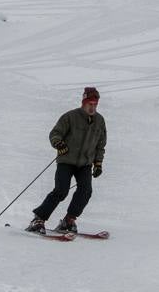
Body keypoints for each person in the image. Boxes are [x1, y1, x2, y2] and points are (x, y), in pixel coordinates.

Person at [26, 87, 107, 235]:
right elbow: (55, 134)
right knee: (61, 191)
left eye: (95, 104)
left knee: (86, 191)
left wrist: (98, 163)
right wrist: (59, 143)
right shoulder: (70, 117)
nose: (92, 107)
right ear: (83, 103)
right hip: (66, 161)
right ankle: (38, 220)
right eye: (90, 104)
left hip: (85, 164)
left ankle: (68, 221)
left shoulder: (100, 121)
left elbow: (100, 145)